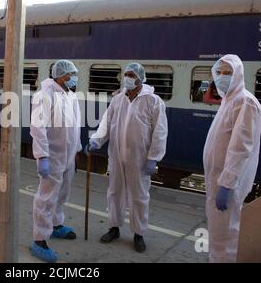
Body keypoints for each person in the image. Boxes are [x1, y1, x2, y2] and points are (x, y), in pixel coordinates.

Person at [85, 62, 168, 253]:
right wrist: (97, 139)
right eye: (126, 74)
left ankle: (139, 234)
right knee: (114, 192)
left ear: (140, 78)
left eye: (131, 75)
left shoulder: (153, 101)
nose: (128, 78)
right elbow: (107, 122)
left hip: (139, 158)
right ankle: (114, 228)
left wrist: (154, 157)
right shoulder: (118, 100)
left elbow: (160, 132)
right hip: (116, 155)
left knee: (139, 196)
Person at [203, 54, 261, 262]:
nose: (221, 77)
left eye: (228, 73)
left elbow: (241, 147)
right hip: (217, 181)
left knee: (225, 238)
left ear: (238, 75)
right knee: (218, 235)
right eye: (219, 72)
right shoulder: (229, 101)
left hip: (227, 184)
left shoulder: (245, 102)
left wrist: (227, 184)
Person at [29, 59, 82, 263]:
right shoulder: (45, 95)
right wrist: (42, 156)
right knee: (46, 197)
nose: (74, 77)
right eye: (71, 74)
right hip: (52, 156)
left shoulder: (70, 96)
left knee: (62, 193)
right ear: (60, 75)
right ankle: (39, 240)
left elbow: (75, 126)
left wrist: (76, 150)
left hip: (67, 156)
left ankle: (57, 224)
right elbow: (38, 128)